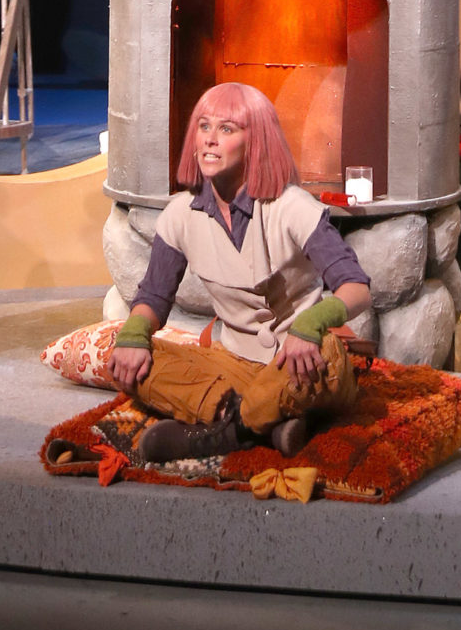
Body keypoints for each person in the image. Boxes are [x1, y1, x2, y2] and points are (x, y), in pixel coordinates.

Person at [107, 81, 372, 462]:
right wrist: (133, 335)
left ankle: (227, 433)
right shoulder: (179, 215)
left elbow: (356, 288)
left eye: (227, 129)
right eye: (204, 126)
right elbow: (153, 297)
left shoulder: (293, 206)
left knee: (327, 354)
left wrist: (310, 325)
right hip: (233, 364)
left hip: (298, 361)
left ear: (256, 142)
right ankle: (267, 424)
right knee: (136, 361)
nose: (210, 139)